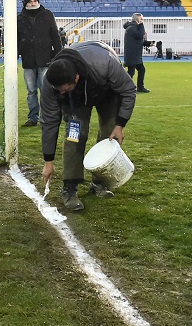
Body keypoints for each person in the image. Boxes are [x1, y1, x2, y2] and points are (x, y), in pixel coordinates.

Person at [39, 41, 137, 212]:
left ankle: (99, 183)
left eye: (65, 89)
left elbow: (128, 90)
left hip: (107, 91)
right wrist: (48, 161)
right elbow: (49, 121)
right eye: (59, 90)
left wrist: (120, 125)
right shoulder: (51, 83)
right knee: (75, 137)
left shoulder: (105, 63)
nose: (61, 93)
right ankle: (70, 188)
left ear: (76, 78)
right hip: (75, 101)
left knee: (109, 135)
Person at [17, 0, 63, 126]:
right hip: (28, 60)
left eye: (35, 0)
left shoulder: (48, 15)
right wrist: (15, 56)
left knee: (45, 90)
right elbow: (17, 39)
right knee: (31, 91)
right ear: (25, 3)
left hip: (46, 59)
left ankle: (46, 117)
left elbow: (55, 36)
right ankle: (33, 118)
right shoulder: (19, 19)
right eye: (30, 1)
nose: (33, 3)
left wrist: (59, 54)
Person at [122, 13, 152, 93]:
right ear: (137, 19)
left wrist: (149, 43)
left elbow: (139, 40)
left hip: (135, 54)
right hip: (132, 54)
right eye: (141, 19)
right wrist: (141, 25)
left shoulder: (133, 28)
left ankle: (140, 87)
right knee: (131, 73)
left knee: (141, 70)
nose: (142, 21)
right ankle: (125, 88)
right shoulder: (131, 28)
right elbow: (140, 35)